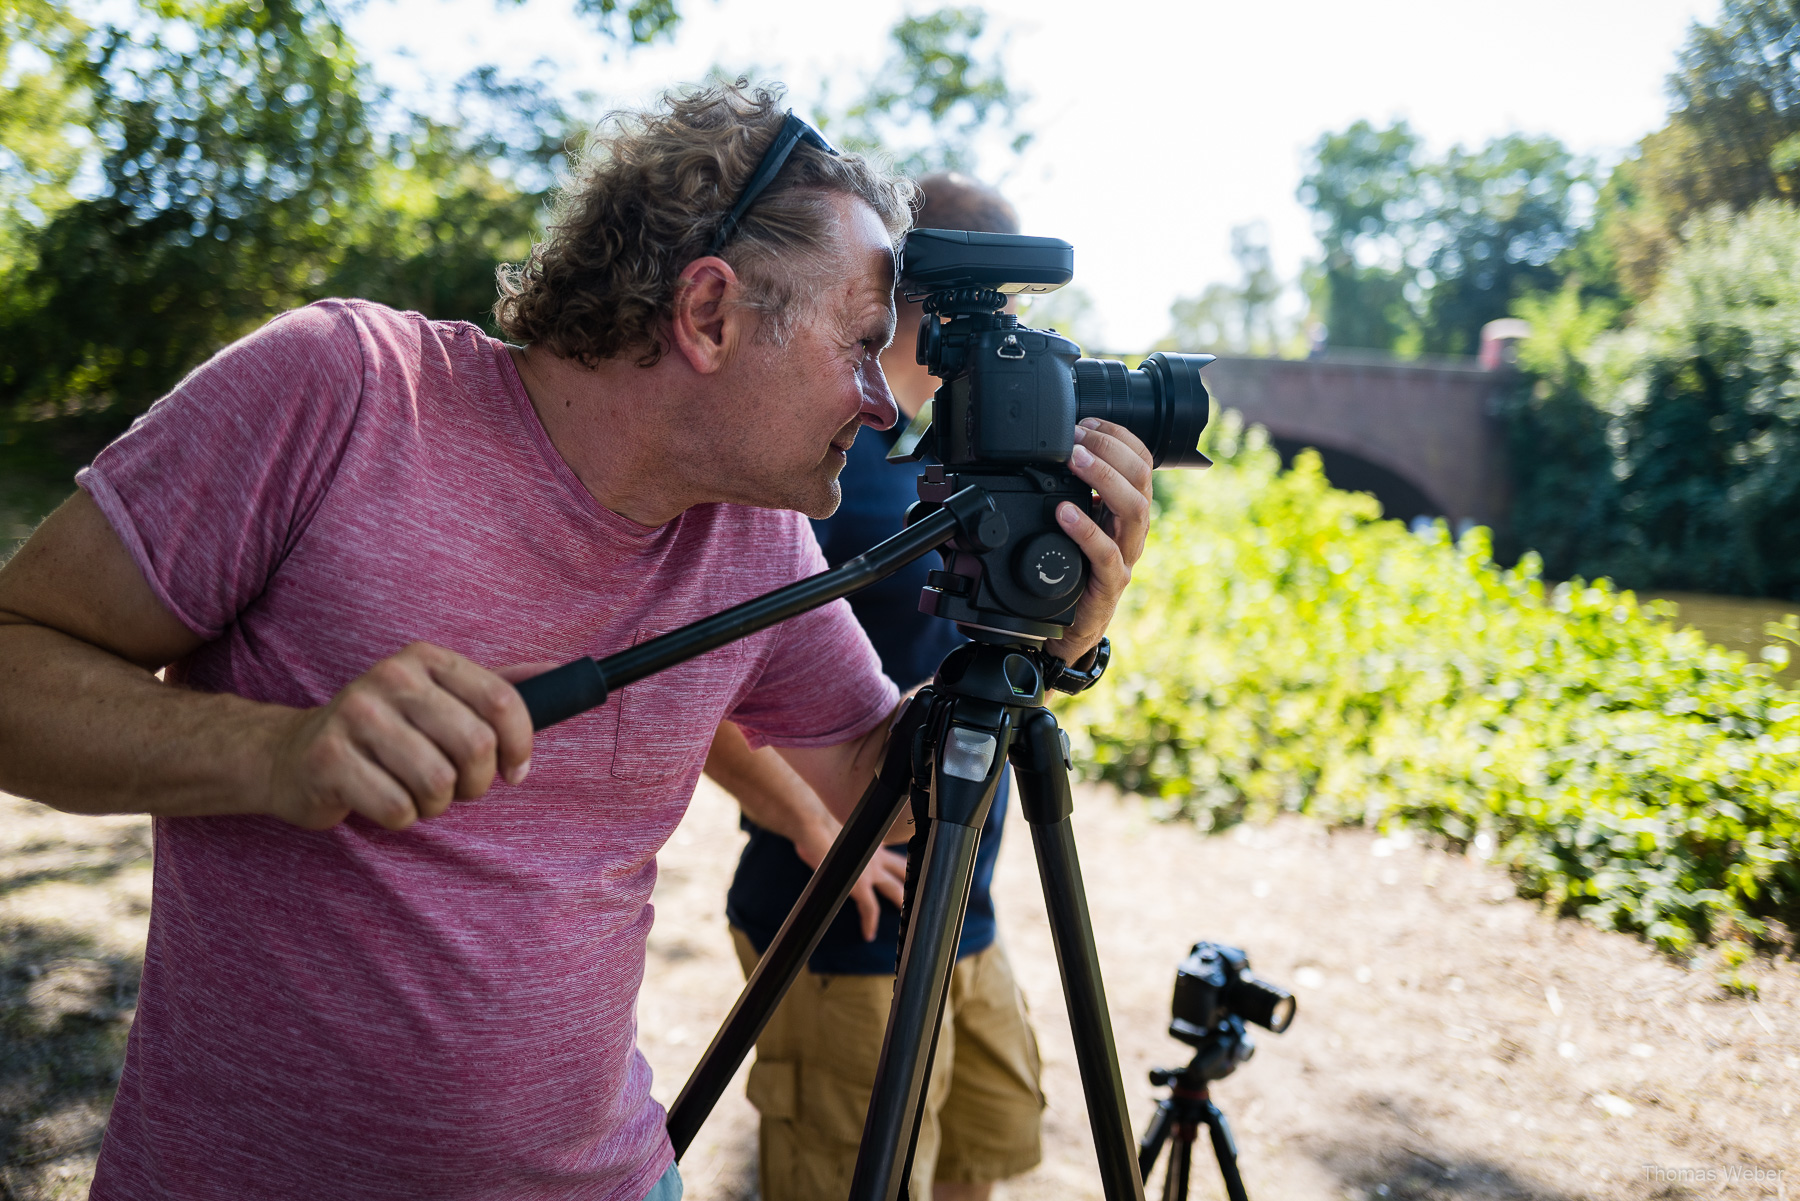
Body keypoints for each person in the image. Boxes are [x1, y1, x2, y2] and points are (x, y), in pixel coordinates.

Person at [0, 83, 1155, 1201]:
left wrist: (1038, 646)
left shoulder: (752, 537)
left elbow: (875, 786)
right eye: (861, 344)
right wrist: (275, 753)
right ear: (709, 314)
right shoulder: (344, 389)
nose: (880, 403)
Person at [703, 172, 1042, 1201]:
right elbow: (705, 685)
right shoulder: (811, 461)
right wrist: (818, 831)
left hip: (961, 907)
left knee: (977, 1163)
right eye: (997, 312)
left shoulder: (948, 460)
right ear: (945, 295)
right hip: (836, 915)